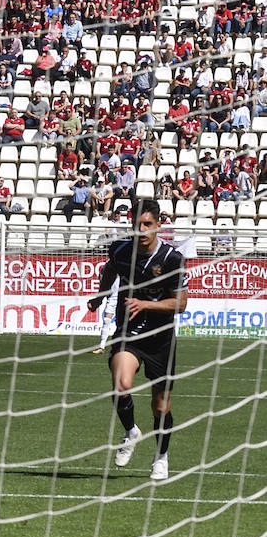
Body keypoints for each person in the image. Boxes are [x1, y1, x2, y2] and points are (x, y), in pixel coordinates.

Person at [85, 202, 188, 480]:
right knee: (121, 384)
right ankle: (131, 432)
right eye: (137, 224)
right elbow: (110, 270)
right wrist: (101, 295)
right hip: (129, 333)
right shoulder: (120, 250)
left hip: (160, 339)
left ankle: (161, 457)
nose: (141, 230)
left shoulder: (171, 259)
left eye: (147, 224)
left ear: (158, 225)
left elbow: (180, 304)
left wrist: (145, 304)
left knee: (160, 407)